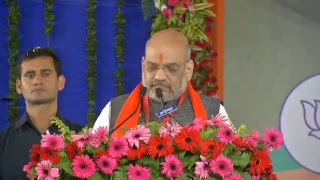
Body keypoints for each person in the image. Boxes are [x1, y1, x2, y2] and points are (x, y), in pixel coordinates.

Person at [94, 29, 234, 136]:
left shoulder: (214, 113)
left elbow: (231, 166)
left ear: (188, 70)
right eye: (152, 67)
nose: (159, 76)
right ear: (143, 66)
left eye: (171, 68)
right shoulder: (114, 110)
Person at [0, 47, 83, 179]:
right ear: (19, 86)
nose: (37, 81)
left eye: (45, 73)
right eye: (30, 75)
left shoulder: (82, 138)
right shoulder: (3, 142)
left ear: (60, 82)